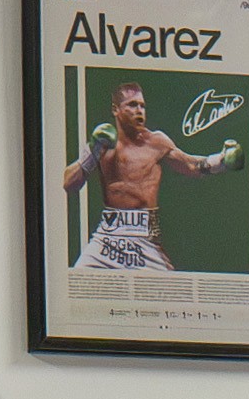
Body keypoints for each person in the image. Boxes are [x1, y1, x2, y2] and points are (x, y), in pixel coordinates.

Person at [61, 81, 236, 273]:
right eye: (132, 105)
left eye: (142, 106)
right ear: (115, 110)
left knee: (170, 296)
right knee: (76, 282)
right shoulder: (102, 143)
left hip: (145, 236)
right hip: (107, 238)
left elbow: (191, 165)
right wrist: (93, 152)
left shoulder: (156, 141)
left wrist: (222, 161)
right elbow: (69, 184)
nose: (139, 111)